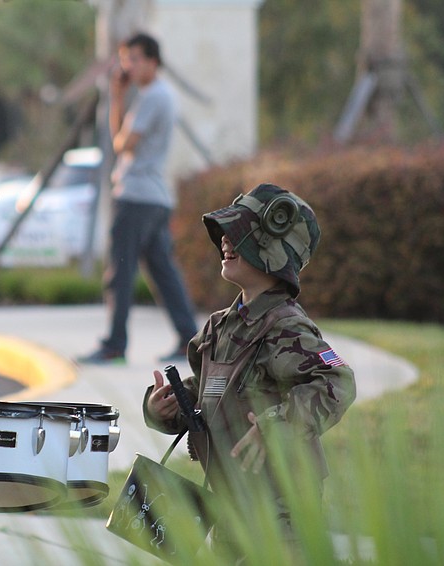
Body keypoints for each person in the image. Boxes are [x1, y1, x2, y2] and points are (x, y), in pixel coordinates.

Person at [143, 184, 356, 562]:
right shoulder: (219, 327)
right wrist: (166, 407)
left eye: (237, 235)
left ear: (272, 254)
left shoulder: (285, 325)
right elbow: (209, 391)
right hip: (229, 498)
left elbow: (336, 381)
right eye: (225, 234)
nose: (225, 241)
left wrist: (278, 425)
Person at [79, 32, 199, 364]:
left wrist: (117, 98)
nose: (127, 66)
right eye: (124, 59)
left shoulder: (153, 97)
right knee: (164, 272)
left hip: (136, 197)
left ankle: (115, 345)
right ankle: (190, 340)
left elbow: (122, 144)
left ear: (152, 61)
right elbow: (123, 139)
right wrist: (119, 97)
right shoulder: (157, 95)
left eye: (133, 59)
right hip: (155, 197)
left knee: (120, 271)